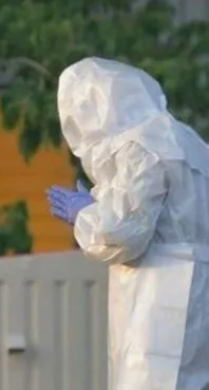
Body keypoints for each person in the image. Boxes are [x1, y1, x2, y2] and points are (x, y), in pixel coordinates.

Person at [46, 57, 209, 390]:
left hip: (161, 291)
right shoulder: (190, 142)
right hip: (198, 288)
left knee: (151, 380)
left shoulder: (142, 147)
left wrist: (85, 215)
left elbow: (122, 231)